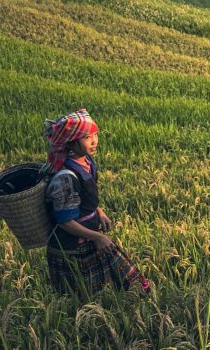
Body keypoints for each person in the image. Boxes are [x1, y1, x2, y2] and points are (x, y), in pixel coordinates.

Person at [42, 109, 152, 297]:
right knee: (79, 296)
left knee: (121, 283)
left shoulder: (88, 163)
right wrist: (97, 237)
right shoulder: (65, 178)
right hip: (70, 246)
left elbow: (86, 197)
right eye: (86, 137)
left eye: (95, 135)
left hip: (89, 234)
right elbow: (65, 221)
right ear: (71, 143)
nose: (94, 141)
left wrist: (99, 212)